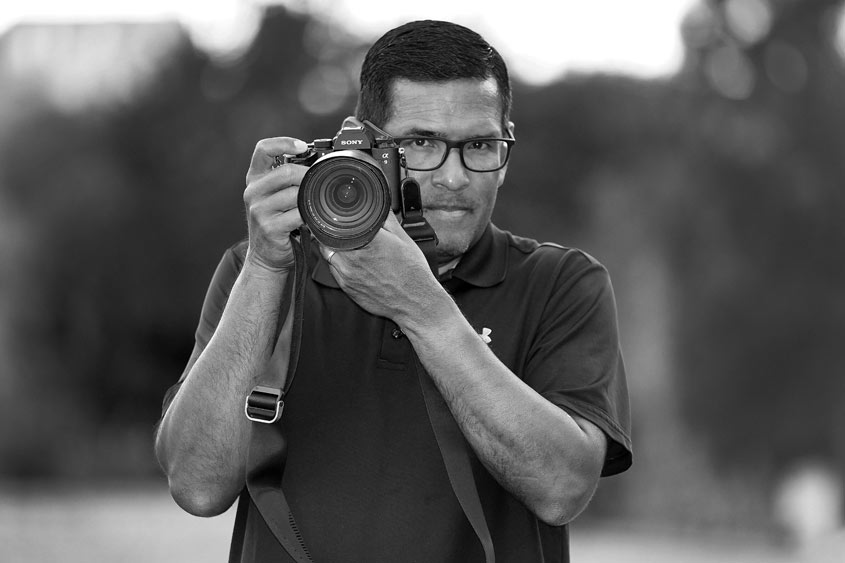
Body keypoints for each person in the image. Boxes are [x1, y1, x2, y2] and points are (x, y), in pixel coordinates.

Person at [155, 19, 632, 563]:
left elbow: (562, 489)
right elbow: (196, 486)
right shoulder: (261, 268)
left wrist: (422, 307)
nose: (454, 178)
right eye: (421, 143)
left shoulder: (561, 283)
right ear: (365, 146)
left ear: (507, 149)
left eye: (480, 145)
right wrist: (266, 267)